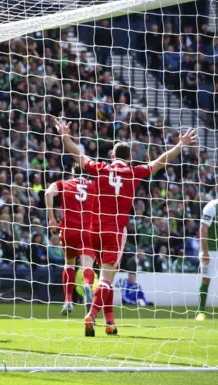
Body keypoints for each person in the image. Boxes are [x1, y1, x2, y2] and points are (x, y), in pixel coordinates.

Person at [56, 118, 197, 336]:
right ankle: (92, 315)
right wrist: (180, 145)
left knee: (105, 279)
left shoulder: (100, 168)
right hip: (115, 231)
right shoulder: (133, 172)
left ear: (112, 156)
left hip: (94, 230)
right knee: (106, 279)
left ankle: (110, 322)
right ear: (130, 158)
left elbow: (76, 153)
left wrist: (64, 134)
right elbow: (160, 161)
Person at [45, 162, 97, 315]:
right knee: (87, 266)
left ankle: (68, 301)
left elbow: (48, 193)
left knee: (69, 265)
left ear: (72, 174)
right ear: (87, 174)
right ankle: (87, 285)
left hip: (69, 231)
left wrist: (51, 218)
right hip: (88, 231)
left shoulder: (63, 183)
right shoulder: (95, 186)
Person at [196, 187, 218, 321]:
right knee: (206, 279)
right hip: (210, 250)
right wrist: (205, 252)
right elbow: (203, 229)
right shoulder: (212, 207)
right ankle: (201, 312)